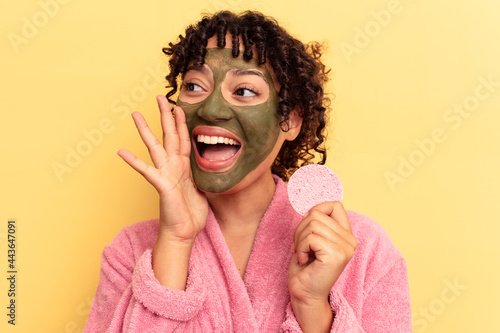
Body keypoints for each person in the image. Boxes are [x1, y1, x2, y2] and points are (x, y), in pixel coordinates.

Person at [84, 10, 412, 333]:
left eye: (243, 91)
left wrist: (312, 306)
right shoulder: (129, 251)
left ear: (291, 120)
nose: (211, 108)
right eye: (195, 86)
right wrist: (175, 241)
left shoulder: (365, 250)